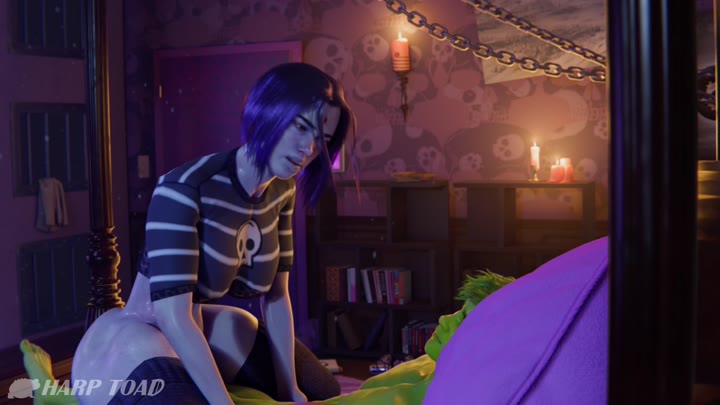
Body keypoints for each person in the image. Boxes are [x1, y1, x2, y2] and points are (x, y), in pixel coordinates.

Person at [71, 62, 356, 404]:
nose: (308, 149)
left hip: (198, 323)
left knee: (321, 390)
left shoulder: (282, 191)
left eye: (322, 140)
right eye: (300, 127)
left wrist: (289, 390)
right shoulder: (184, 187)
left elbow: (277, 296)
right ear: (268, 112)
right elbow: (172, 315)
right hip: (142, 333)